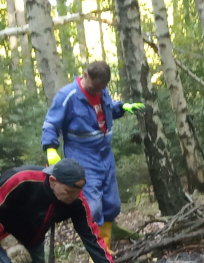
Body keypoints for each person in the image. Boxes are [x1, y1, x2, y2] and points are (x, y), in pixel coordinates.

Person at [41, 61, 145, 250]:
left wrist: (122, 108)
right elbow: (51, 124)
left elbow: (106, 110)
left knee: (112, 204)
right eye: (95, 87)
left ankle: (106, 244)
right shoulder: (68, 95)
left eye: (102, 88)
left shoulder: (102, 91)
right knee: (93, 207)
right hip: (82, 155)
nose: (98, 91)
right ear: (85, 75)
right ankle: (97, 251)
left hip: (105, 153)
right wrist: (50, 148)